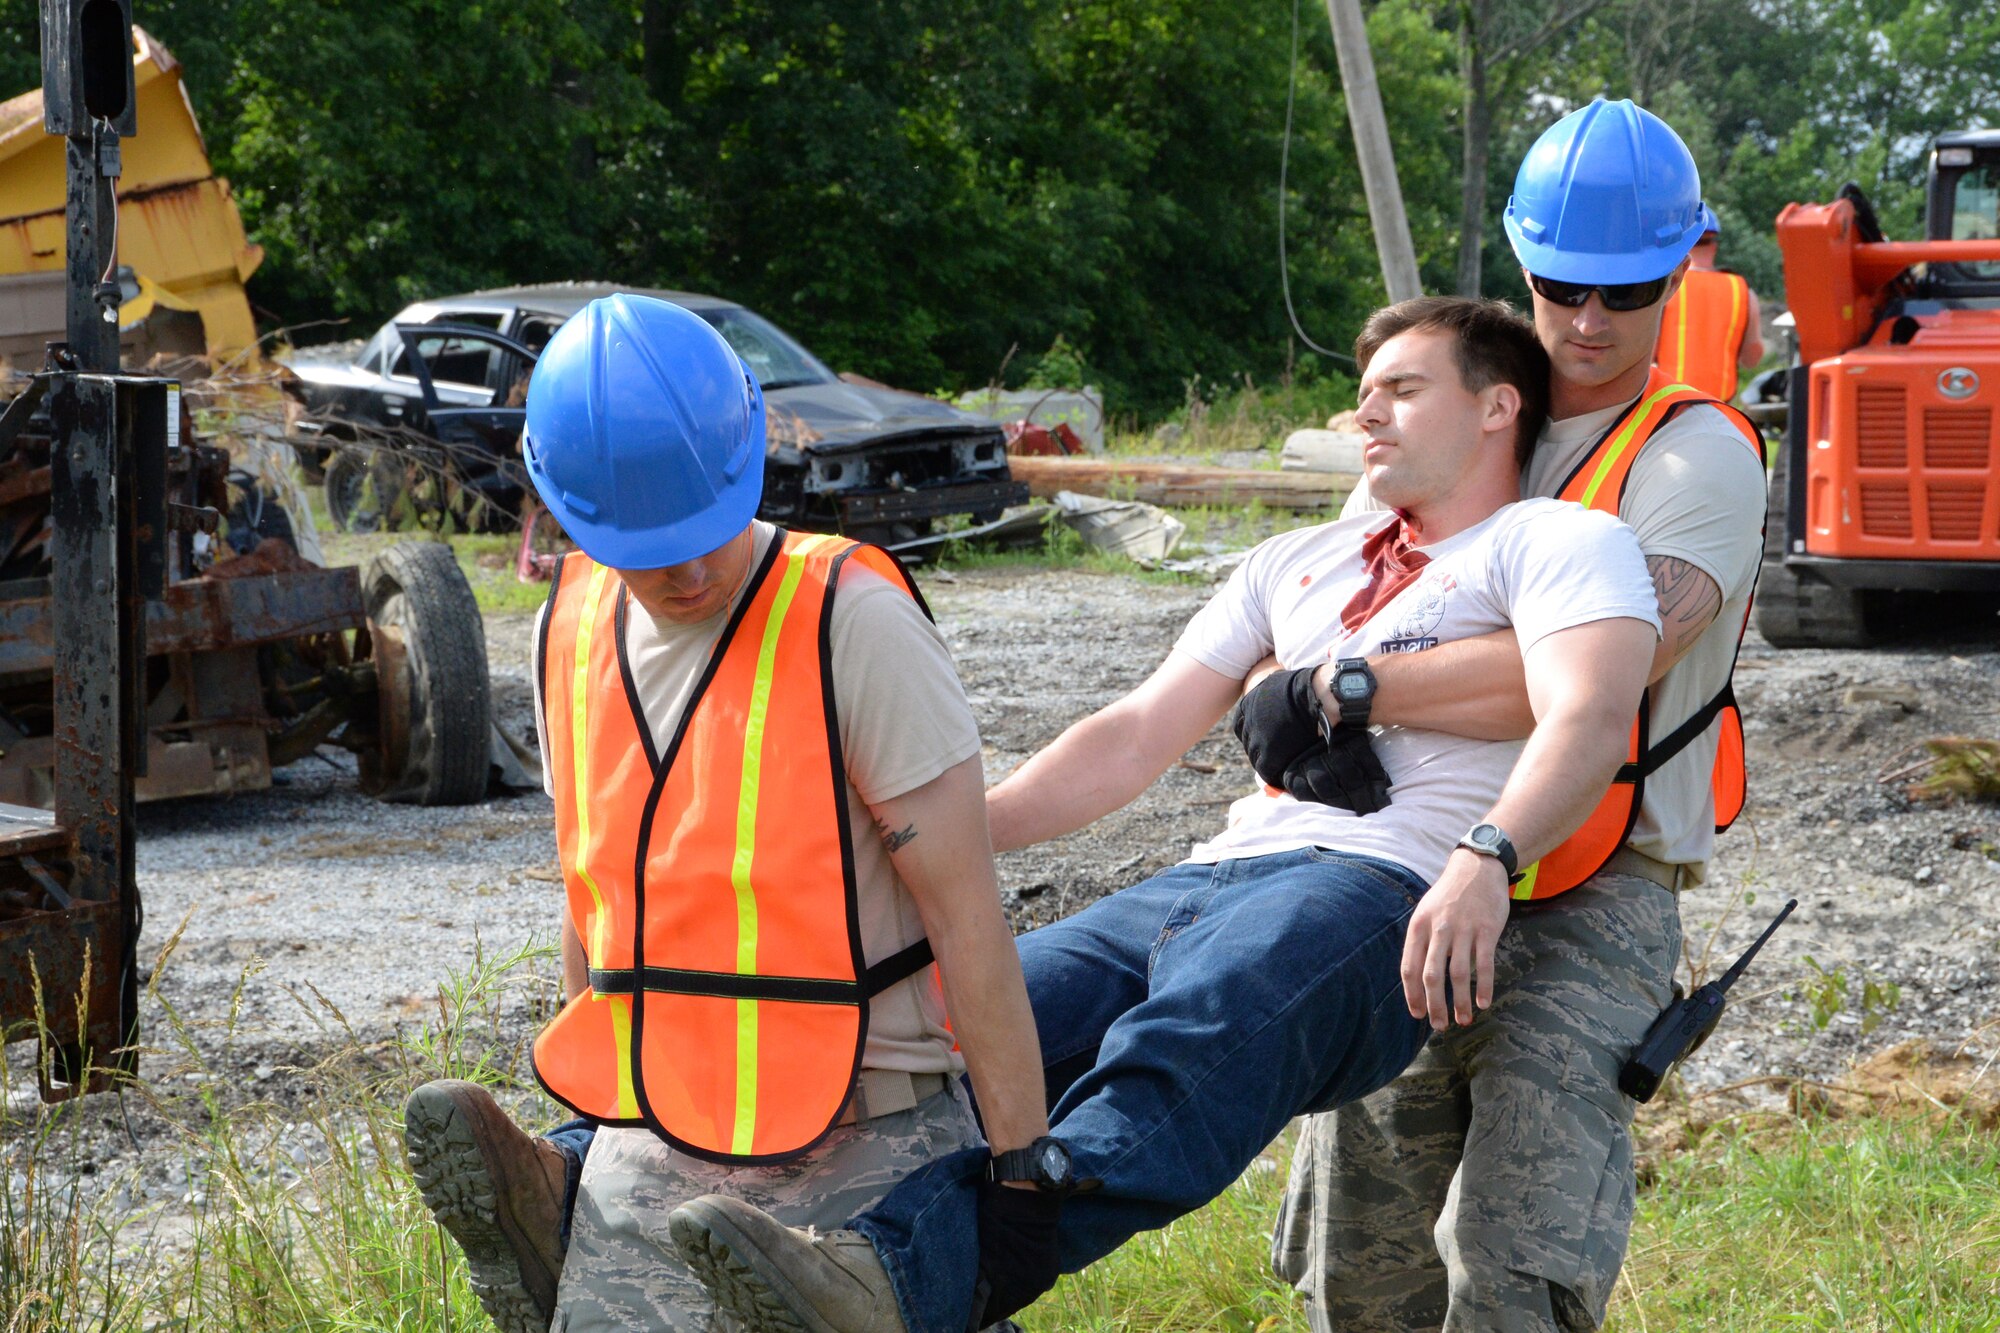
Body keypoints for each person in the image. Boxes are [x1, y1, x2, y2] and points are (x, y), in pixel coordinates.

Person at [666, 295, 1669, 1333]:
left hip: (1375, 887)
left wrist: (1484, 856)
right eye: (1361, 395)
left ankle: (904, 1275)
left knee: (1196, 1033)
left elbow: (1589, 713)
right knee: (954, 1024)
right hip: (1203, 880)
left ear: (1498, 404)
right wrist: (951, 830)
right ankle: (661, 1218)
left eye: (1403, 392)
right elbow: (1135, 730)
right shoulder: (1294, 560)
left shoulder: (1556, 540)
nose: (1366, 416)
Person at [401, 293, 1050, 1333]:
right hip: (657, 1126)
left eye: (703, 528)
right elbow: (594, 897)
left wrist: (1021, 1177)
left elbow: (968, 915)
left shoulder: (851, 620)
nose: (690, 571)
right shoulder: (567, 632)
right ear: (557, 508)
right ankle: (556, 1190)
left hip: (866, 1124)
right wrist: (594, 1125)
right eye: (648, 547)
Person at [1269, 99, 1767, 1333]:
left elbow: (1606, 676)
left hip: (1591, 886)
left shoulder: (1694, 455)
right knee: (1362, 1255)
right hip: (1406, 860)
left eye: (1626, 291)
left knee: (1511, 1255)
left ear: (1681, 271)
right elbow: (1328, 599)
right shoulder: (1458, 413)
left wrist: (1353, 685)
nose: (1588, 323)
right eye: (1558, 286)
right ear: (1519, 263)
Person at [1655, 205, 1765, 402]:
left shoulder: (1667, 286)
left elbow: (1648, 348)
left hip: (1669, 404)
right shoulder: (1742, 291)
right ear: (1714, 245)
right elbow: (1752, 358)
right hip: (1718, 408)